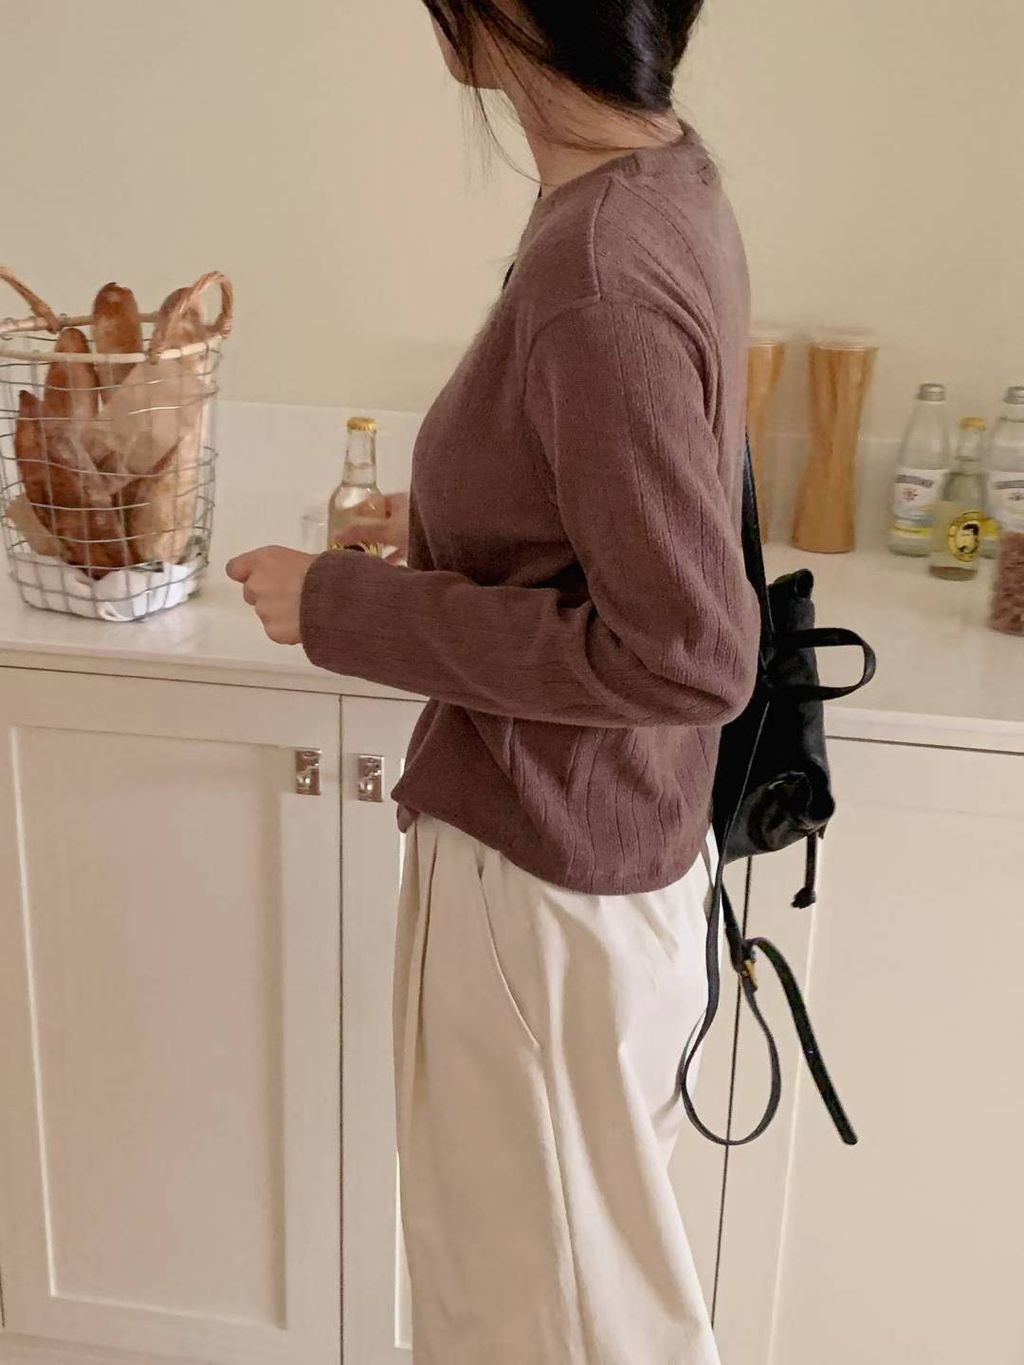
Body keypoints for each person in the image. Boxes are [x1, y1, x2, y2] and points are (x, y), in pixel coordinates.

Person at [228, 2, 759, 1360]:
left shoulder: (600, 265)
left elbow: (687, 653)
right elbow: (614, 507)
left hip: (545, 881)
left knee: (544, 1325)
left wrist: (339, 605)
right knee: (561, 1304)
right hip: (597, 856)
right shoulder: (660, 181)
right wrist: (446, 530)